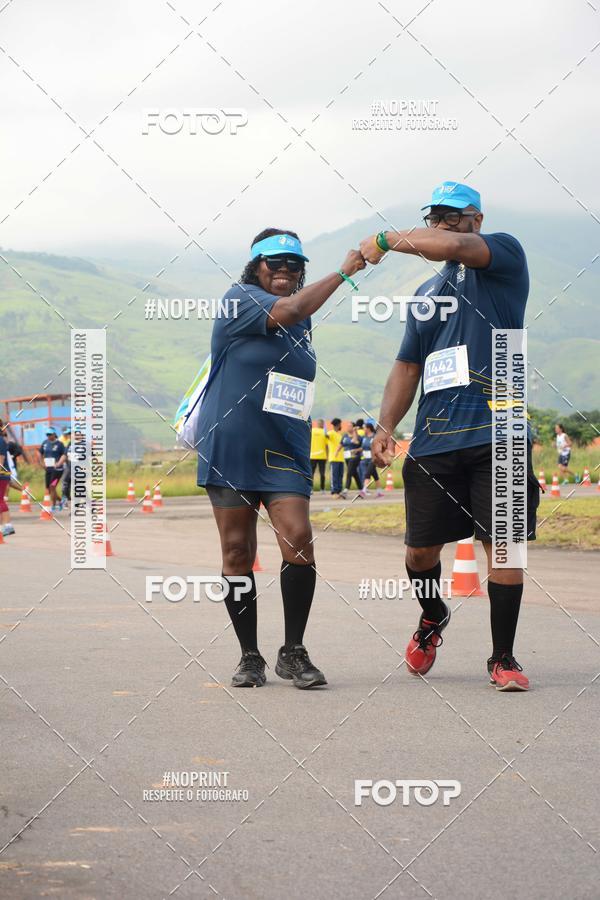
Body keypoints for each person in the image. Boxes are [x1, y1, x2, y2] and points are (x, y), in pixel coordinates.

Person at [361, 180, 540, 692]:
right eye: (435, 216)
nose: (443, 224)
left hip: (498, 431)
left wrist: (383, 239)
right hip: (435, 438)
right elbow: (406, 365)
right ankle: (432, 614)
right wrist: (385, 427)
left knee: (502, 548)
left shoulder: (503, 254)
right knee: (420, 552)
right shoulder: (425, 295)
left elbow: (458, 249)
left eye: (453, 215)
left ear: (476, 219)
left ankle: (502, 658)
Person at [196, 227, 365, 688]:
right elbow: (292, 307)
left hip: (284, 448)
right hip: (232, 443)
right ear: (256, 266)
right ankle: (249, 656)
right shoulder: (240, 298)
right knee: (236, 550)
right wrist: (345, 273)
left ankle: (293, 652)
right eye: (276, 263)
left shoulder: (301, 318)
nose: (286, 271)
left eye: (295, 265)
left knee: (299, 537)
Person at [39, 429, 67, 512]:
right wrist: (41, 463)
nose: (48, 436)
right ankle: (61, 500)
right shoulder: (44, 443)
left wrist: (59, 463)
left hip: (57, 469)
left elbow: (64, 455)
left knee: (52, 486)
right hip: (48, 469)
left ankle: (54, 506)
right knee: (48, 488)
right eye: (47, 434)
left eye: (50, 434)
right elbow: (40, 453)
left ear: (54, 434)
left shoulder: (60, 444)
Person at [359, 422, 384, 498]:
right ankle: (379, 492)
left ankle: (363, 490)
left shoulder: (374, 437)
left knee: (367, 474)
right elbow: (363, 448)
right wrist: (356, 451)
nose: (363, 429)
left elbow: (378, 448)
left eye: (364, 428)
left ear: (368, 428)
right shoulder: (364, 438)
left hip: (373, 459)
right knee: (375, 476)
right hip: (365, 459)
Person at [0, 419, 14, 537]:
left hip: (1, 474)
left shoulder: (0, 440)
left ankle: (8, 526)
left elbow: (1, 460)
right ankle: (5, 525)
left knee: (0, 500)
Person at [327, 417, 345, 498]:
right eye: (340, 424)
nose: (341, 425)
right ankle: (334, 491)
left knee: (340, 475)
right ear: (337, 425)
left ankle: (339, 491)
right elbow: (326, 435)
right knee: (334, 476)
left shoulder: (340, 435)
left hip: (341, 458)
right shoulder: (331, 433)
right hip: (334, 458)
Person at [341, 423, 363, 492]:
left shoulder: (358, 436)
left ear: (353, 427)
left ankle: (346, 489)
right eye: (347, 426)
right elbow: (341, 444)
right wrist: (336, 452)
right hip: (347, 457)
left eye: (350, 426)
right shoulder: (345, 436)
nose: (348, 427)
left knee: (349, 472)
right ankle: (361, 489)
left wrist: (355, 431)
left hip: (355, 457)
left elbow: (355, 441)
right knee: (354, 473)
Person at [310, 418, 328, 492]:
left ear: (317, 424)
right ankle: (322, 489)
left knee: (312, 473)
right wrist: (327, 455)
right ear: (322, 424)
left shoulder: (312, 431)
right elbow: (327, 446)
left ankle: (311, 489)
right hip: (322, 456)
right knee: (322, 473)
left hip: (313, 455)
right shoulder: (324, 432)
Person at [61, 427, 72, 509]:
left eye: (70, 433)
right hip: (68, 467)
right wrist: (58, 463)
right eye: (68, 434)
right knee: (65, 483)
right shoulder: (70, 444)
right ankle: (65, 502)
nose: (69, 435)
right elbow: (65, 455)